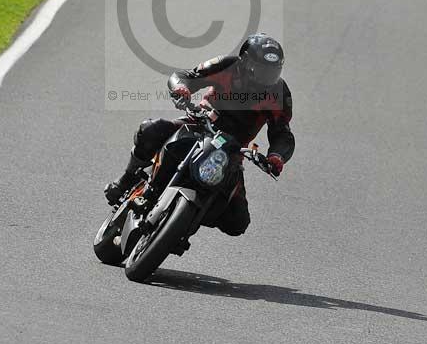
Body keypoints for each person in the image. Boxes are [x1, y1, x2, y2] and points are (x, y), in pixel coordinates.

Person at [104, 33, 295, 236]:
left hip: (233, 149)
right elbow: (187, 76)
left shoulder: (279, 93)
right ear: (245, 62)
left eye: (272, 73)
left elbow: (282, 132)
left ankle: (184, 219)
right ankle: (126, 178)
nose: (266, 79)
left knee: (237, 222)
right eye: (261, 71)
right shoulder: (226, 65)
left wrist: (277, 156)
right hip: (201, 124)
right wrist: (181, 88)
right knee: (151, 129)